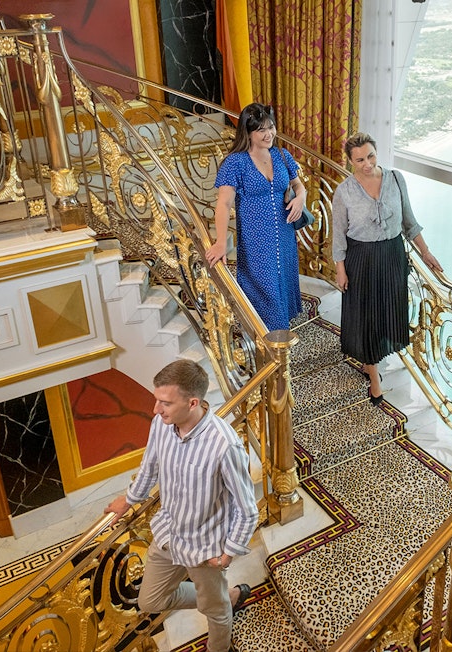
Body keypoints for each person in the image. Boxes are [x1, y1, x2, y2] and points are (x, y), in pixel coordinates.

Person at [104, 359, 258, 652]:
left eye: (164, 402)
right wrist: (129, 499)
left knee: (217, 613)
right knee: (151, 600)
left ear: (193, 402)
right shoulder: (161, 425)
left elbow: (247, 508)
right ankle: (227, 595)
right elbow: (149, 466)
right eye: (156, 400)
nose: (155, 410)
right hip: (168, 535)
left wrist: (227, 556)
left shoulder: (224, 445)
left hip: (204, 550)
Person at [331, 132, 443, 405]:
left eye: (371, 156)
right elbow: (339, 235)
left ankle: (375, 359)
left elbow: (409, 221)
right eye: (359, 160)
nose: (367, 164)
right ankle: (374, 376)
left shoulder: (395, 179)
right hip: (361, 259)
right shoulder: (344, 191)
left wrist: (425, 252)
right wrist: (341, 269)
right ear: (350, 161)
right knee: (367, 317)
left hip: (392, 255)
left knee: (386, 312)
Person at [205, 103, 307, 331]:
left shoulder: (282, 155)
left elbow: (299, 186)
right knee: (266, 291)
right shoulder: (235, 162)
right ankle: (273, 348)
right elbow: (223, 203)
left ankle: (278, 344)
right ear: (248, 132)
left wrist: (301, 197)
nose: (268, 134)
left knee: (282, 286)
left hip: (284, 236)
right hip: (256, 242)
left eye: (271, 127)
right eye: (261, 129)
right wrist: (221, 242)